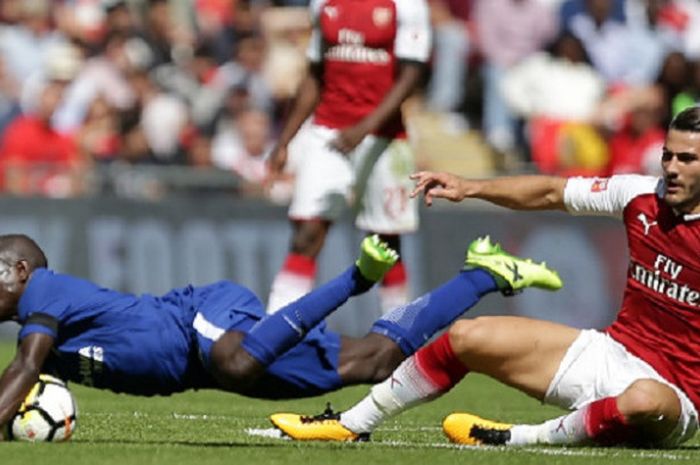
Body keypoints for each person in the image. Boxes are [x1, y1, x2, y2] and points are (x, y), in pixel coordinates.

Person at [270, 105, 700, 449]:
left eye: (687, 158)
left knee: (643, 398)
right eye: (667, 155)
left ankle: (517, 438)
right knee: (466, 336)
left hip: (674, 398)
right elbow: (552, 192)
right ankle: (351, 423)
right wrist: (470, 187)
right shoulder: (641, 195)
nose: (672, 168)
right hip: (611, 354)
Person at [0, 233, 561, 438]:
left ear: (22, 270)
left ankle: (354, 279)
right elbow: (24, 381)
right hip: (199, 368)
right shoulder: (39, 321)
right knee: (376, 361)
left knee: (240, 363)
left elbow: (26, 368)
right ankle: (484, 273)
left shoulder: (45, 291)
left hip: (199, 320)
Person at [265, 0, 432, 315]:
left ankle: (398, 334)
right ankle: (274, 327)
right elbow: (316, 74)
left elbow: (411, 75)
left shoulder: (407, 5)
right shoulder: (323, 3)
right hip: (327, 133)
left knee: (384, 243)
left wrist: (366, 127)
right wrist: (284, 140)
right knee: (306, 233)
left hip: (383, 137)